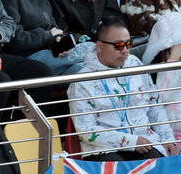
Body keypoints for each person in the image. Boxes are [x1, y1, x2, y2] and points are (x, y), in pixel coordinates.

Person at [69, 15, 173, 160]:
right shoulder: (81, 81)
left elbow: (154, 104)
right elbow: (86, 131)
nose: (125, 50)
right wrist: (131, 142)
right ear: (100, 46)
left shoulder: (135, 64)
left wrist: (167, 137)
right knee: (115, 165)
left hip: (145, 141)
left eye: (128, 44)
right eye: (118, 46)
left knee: (157, 162)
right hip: (103, 149)